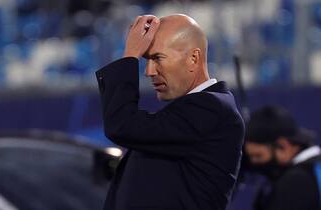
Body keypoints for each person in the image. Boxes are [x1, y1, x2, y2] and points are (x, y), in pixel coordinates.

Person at [96, 14, 245, 210]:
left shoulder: (213, 108)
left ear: (193, 58)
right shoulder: (193, 111)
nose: (149, 71)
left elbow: (123, 125)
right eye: (146, 60)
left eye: (157, 58)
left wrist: (131, 55)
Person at [244, 106, 320, 210]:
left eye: (258, 155)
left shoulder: (295, 182)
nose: (254, 162)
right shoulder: (315, 170)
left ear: (283, 146)